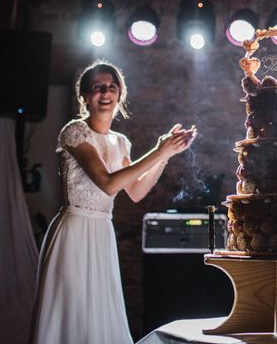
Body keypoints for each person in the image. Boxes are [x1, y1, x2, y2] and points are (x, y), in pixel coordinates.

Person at [29, 60, 196, 344]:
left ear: (120, 94)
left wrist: (167, 154)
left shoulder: (120, 142)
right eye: (98, 88)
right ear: (84, 96)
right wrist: (158, 150)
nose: (105, 93)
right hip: (74, 231)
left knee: (98, 309)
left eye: (111, 87)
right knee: (72, 310)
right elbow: (107, 183)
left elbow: (136, 191)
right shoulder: (75, 132)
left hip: (101, 234)